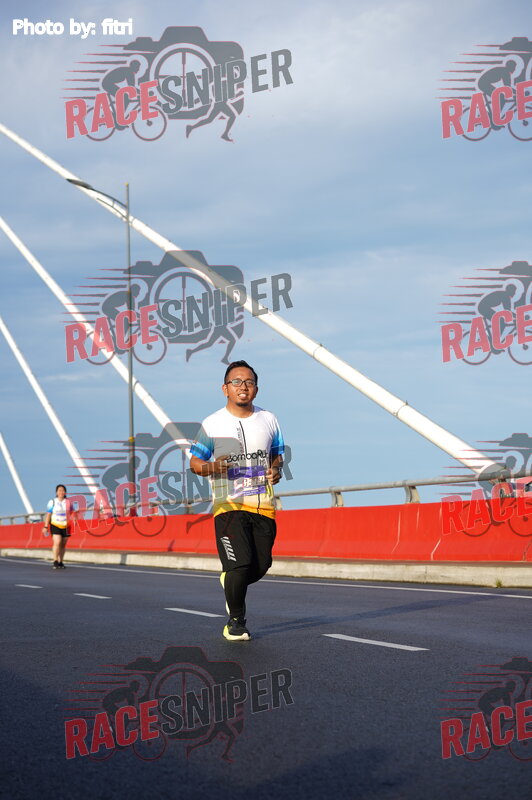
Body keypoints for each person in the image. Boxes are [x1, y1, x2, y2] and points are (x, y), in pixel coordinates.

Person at [189, 360, 284, 641]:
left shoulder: (269, 419)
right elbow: (195, 464)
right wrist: (213, 467)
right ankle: (236, 622)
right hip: (228, 504)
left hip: (263, 505)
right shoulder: (212, 423)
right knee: (239, 564)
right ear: (225, 389)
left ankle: (230, 578)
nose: (243, 386)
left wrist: (276, 469)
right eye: (237, 382)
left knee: (261, 565)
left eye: (249, 382)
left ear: (256, 388)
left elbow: (277, 455)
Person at [42, 484, 71, 569]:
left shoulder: (68, 502)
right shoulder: (52, 502)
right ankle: (55, 561)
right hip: (55, 524)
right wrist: (46, 526)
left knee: (63, 544)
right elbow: (48, 514)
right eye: (59, 490)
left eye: (63, 490)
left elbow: (72, 512)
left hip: (66, 525)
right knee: (57, 542)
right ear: (56, 492)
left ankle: (61, 561)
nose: (61, 492)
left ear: (65, 492)